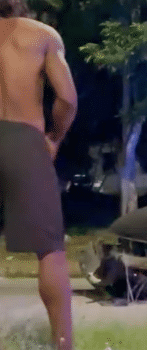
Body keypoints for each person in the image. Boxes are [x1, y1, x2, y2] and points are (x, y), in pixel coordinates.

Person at [0, 2, 78, 349]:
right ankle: (62, 343)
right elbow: (67, 98)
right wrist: (54, 138)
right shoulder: (42, 36)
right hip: (23, 139)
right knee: (50, 250)